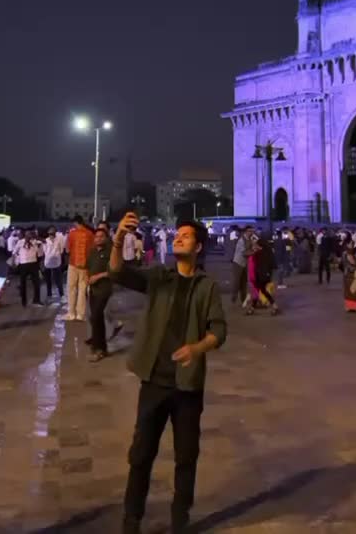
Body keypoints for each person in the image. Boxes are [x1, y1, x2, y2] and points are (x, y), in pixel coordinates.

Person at [109, 213, 227, 534]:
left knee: (186, 456)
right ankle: (131, 520)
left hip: (188, 386)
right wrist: (118, 237)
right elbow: (118, 271)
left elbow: (219, 330)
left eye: (186, 236)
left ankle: (180, 518)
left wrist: (196, 349)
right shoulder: (159, 277)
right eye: (177, 234)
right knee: (141, 455)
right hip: (154, 382)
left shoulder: (207, 288)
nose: (178, 238)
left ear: (198, 246)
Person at [86, 228, 113, 362]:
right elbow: (88, 268)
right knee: (97, 318)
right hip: (93, 290)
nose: (98, 239)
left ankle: (97, 349)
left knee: (95, 316)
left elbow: (114, 271)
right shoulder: (92, 252)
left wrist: (98, 276)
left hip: (104, 289)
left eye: (101, 236)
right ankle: (102, 347)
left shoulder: (111, 252)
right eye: (96, 237)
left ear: (107, 238)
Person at [62, 215, 94, 322]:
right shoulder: (90, 234)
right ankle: (80, 314)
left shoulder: (72, 234)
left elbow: (67, 250)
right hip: (86, 266)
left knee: (71, 289)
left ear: (75, 223)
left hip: (73, 264)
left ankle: (71, 313)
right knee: (82, 290)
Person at [14, 229, 43, 307]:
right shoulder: (20, 242)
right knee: (23, 283)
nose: (29, 236)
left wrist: (40, 247)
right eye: (27, 234)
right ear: (25, 235)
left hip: (33, 264)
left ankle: (36, 300)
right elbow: (14, 252)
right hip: (23, 264)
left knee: (36, 283)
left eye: (30, 234)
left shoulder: (35, 242)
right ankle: (24, 301)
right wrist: (17, 261)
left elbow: (40, 254)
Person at [231, 226, 253, 305]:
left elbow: (253, 246)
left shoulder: (250, 239)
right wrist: (253, 252)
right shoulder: (241, 241)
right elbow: (244, 253)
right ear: (245, 232)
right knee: (237, 281)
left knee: (244, 282)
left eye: (252, 231)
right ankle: (234, 297)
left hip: (244, 264)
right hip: (238, 263)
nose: (251, 233)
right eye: (249, 231)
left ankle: (243, 299)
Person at [43, 227, 64, 301]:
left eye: (52, 234)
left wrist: (56, 255)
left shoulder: (58, 240)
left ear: (55, 233)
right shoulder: (45, 241)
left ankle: (62, 295)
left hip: (56, 263)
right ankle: (49, 294)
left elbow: (61, 250)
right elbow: (44, 251)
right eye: (49, 234)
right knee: (48, 280)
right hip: (48, 263)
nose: (50, 235)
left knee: (58, 280)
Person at [341, 235, 356, 312]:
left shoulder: (349, 252)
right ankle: (352, 307)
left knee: (351, 291)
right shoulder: (347, 253)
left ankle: (351, 307)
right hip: (350, 273)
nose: (352, 245)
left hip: (348, 273)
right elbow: (352, 262)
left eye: (353, 244)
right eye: (351, 243)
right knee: (351, 291)